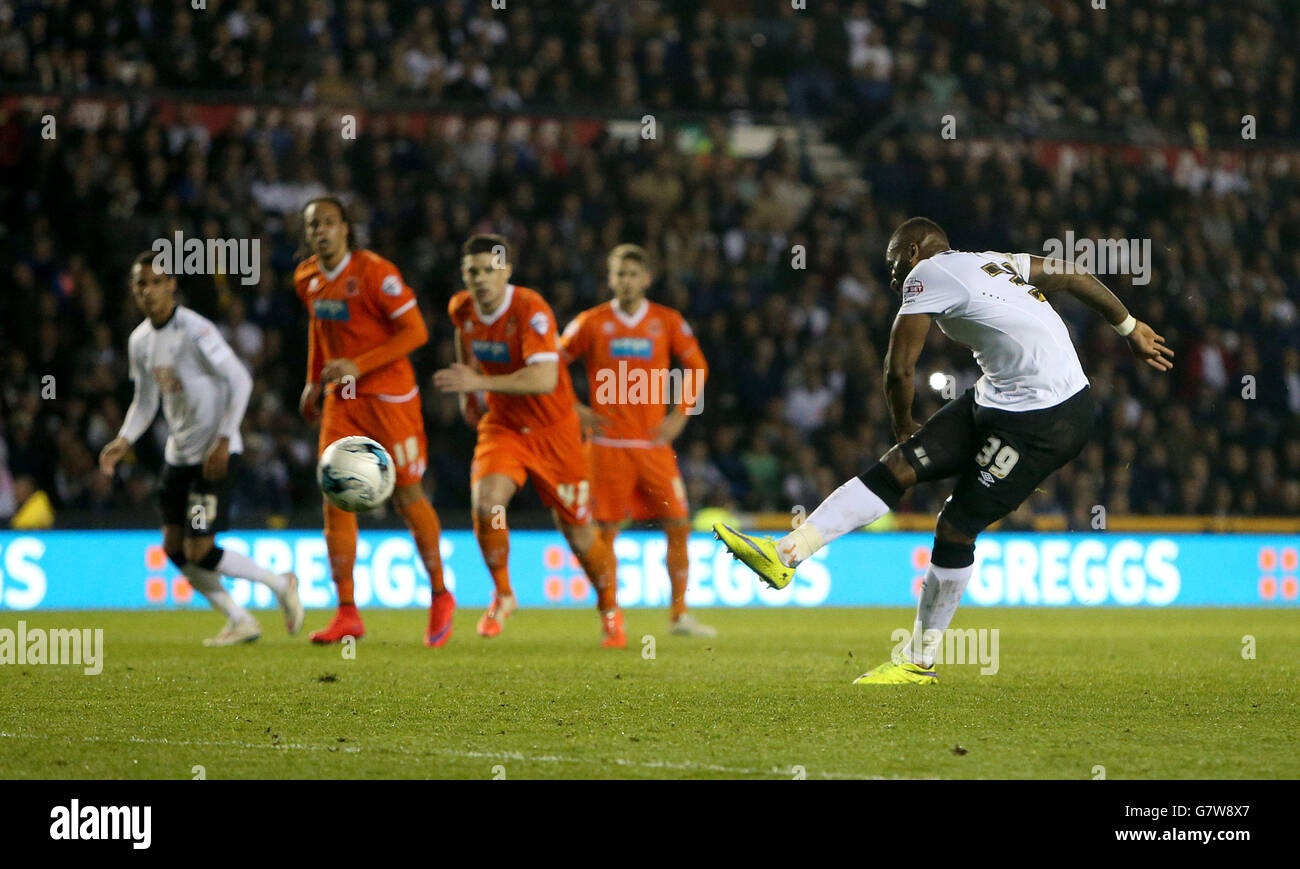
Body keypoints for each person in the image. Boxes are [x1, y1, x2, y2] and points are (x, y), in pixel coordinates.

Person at [715, 217, 1174, 683]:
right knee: (897, 468)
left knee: (956, 526)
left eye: (895, 265)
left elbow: (899, 369)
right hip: (997, 395)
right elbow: (1073, 274)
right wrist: (1128, 326)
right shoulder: (995, 261)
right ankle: (785, 555)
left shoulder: (926, 273)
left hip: (1046, 416)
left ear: (914, 251)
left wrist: (902, 425)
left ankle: (918, 661)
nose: (894, 278)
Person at [100, 252, 304, 646]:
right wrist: (124, 439)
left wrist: (226, 438)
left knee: (199, 546)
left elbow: (241, 379)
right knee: (174, 548)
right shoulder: (139, 341)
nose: (148, 291)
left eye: (156, 282)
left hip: (214, 455)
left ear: (172, 285)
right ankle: (240, 619)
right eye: (141, 284)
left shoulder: (196, 330)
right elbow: (145, 400)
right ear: (133, 290)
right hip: (178, 456)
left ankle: (280, 582)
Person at [435, 234, 624, 648]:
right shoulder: (461, 308)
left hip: (554, 433)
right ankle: (503, 594)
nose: (481, 279)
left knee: (577, 533)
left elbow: (544, 379)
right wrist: (471, 394)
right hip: (503, 427)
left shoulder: (531, 310)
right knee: (488, 505)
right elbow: (464, 339)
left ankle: (610, 608)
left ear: (506, 271)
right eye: (473, 272)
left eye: (489, 270)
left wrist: (479, 382)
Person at [295, 196, 454, 646]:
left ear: (346, 227)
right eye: (313, 226)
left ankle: (441, 594)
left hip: (389, 399)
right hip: (342, 400)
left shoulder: (375, 273)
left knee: (406, 496)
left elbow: (417, 331)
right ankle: (347, 612)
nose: (321, 231)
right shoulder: (306, 277)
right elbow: (318, 329)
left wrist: (358, 366)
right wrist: (313, 380)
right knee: (335, 494)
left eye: (328, 222)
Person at [561, 244, 714, 637]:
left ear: (647, 279)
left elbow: (697, 365)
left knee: (678, 522)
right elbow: (552, 365)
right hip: (607, 448)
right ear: (610, 279)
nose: (626, 282)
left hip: (652, 446)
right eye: (619, 275)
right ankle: (611, 617)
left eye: (633, 275)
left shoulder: (666, 321)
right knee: (606, 531)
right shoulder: (591, 322)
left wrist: (680, 415)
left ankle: (679, 614)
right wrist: (574, 410)